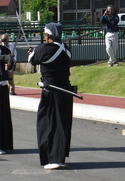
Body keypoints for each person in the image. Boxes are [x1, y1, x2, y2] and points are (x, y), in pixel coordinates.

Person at [28, 23, 74, 170]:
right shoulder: (66, 48)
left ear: (48, 35)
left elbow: (32, 60)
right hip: (65, 91)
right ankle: (59, 157)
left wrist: (31, 52)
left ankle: (51, 158)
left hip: (51, 92)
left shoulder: (42, 49)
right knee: (62, 125)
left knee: (47, 125)